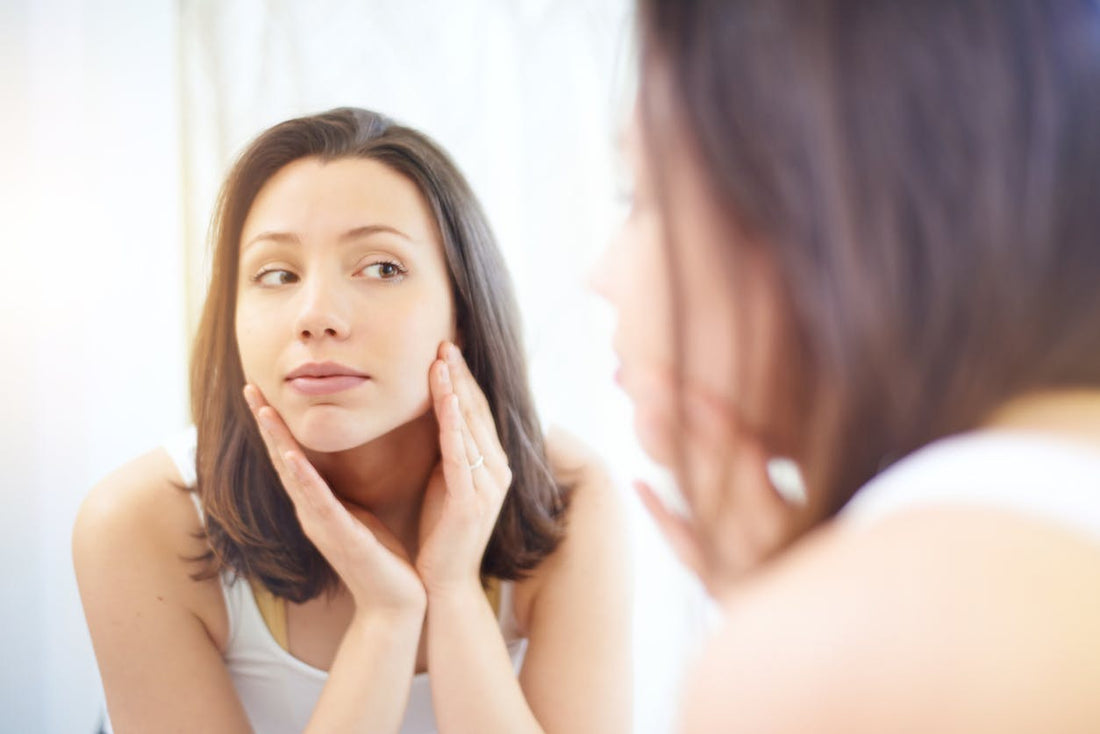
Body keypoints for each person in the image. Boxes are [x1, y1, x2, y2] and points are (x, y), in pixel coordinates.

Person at [593, 0, 1100, 731]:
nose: (599, 276)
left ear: (810, 202)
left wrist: (787, 646)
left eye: (638, 199)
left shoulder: (858, 651)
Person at [73, 107, 630, 734]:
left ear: (464, 308)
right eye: (276, 274)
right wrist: (386, 618)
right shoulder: (143, 521)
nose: (316, 315)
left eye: (382, 268)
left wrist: (450, 591)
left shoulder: (569, 499)